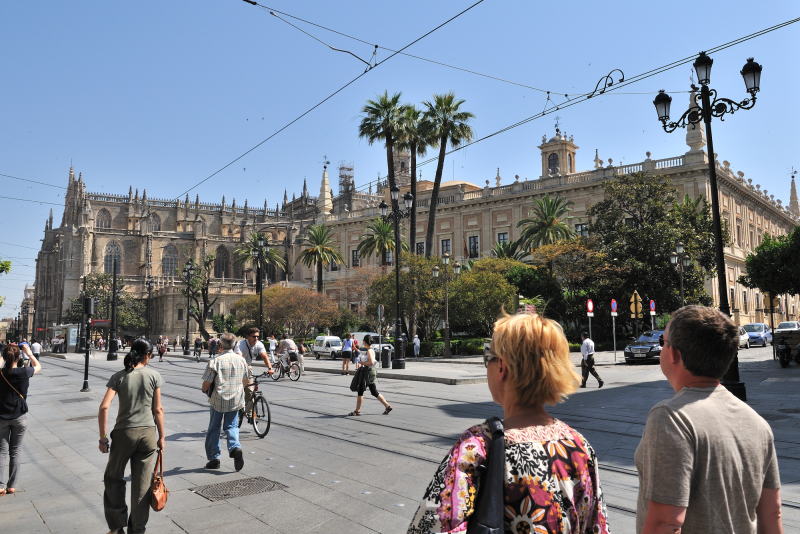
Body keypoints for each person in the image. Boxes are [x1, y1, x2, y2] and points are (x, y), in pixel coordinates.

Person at [407, 313, 610, 533]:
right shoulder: (579, 446)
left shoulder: (475, 448)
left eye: (488, 358)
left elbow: (434, 525)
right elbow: (598, 526)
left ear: (502, 367)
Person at [635, 306, 783, 534]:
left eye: (663, 342)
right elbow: (772, 516)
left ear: (674, 354)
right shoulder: (758, 424)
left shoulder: (671, 417)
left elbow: (666, 522)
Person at [98, 339, 165, 534]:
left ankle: (117, 526)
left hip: (124, 434)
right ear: (147, 355)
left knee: (113, 478)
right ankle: (138, 530)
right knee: (142, 486)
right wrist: (162, 436)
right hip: (148, 434)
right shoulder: (154, 375)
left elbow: (104, 407)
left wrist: (103, 437)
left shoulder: (119, 377)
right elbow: (158, 409)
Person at [202, 333, 248, 471]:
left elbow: (206, 384)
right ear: (234, 345)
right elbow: (246, 381)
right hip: (235, 399)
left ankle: (214, 458)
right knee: (232, 426)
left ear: (220, 345)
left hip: (218, 399)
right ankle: (235, 447)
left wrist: (205, 390)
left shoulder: (215, 361)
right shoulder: (241, 360)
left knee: (214, 429)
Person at [0, 343, 41, 496]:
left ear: (5, 357)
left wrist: (4, 353)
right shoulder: (25, 372)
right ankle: (12, 485)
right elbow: (38, 366)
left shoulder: (1, 372)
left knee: (1, 451)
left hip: (1, 417)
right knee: (15, 451)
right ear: (18, 357)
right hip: (19, 417)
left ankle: (0, 485)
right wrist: (29, 353)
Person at [348, 335, 392, 416]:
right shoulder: (370, 350)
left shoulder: (369, 351)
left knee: (360, 391)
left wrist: (362, 363)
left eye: (363, 341)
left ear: (365, 341)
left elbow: (371, 362)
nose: (362, 342)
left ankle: (357, 411)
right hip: (369, 372)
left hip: (367, 372)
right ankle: (387, 406)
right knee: (374, 391)